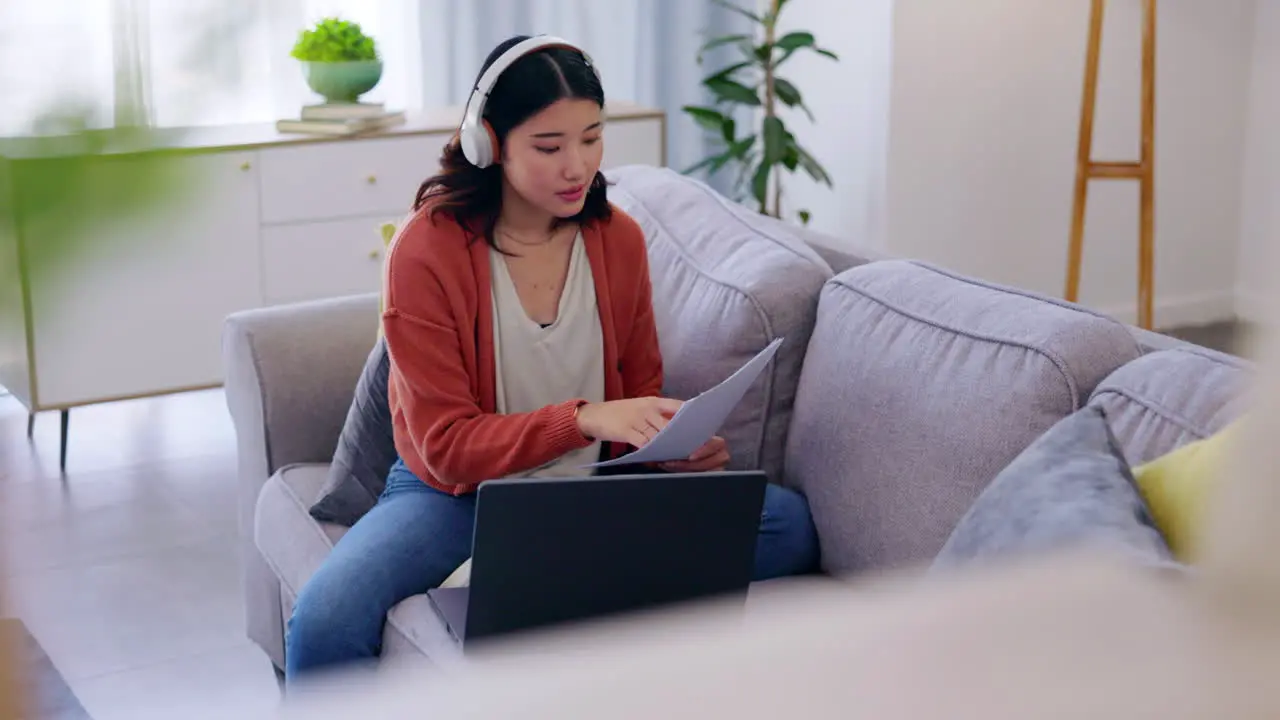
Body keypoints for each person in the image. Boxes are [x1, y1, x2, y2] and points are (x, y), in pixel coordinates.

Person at [283, 34, 820, 683]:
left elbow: (637, 390)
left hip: (585, 488)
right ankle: (554, 577)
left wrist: (666, 443)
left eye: (591, 138)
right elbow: (444, 446)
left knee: (785, 525)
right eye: (549, 146)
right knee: (326, 618)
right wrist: (587, 419)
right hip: (455, 495)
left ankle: (548, 579)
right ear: (489, 140)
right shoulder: (427, 250)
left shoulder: (617, 240)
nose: (577, 166)